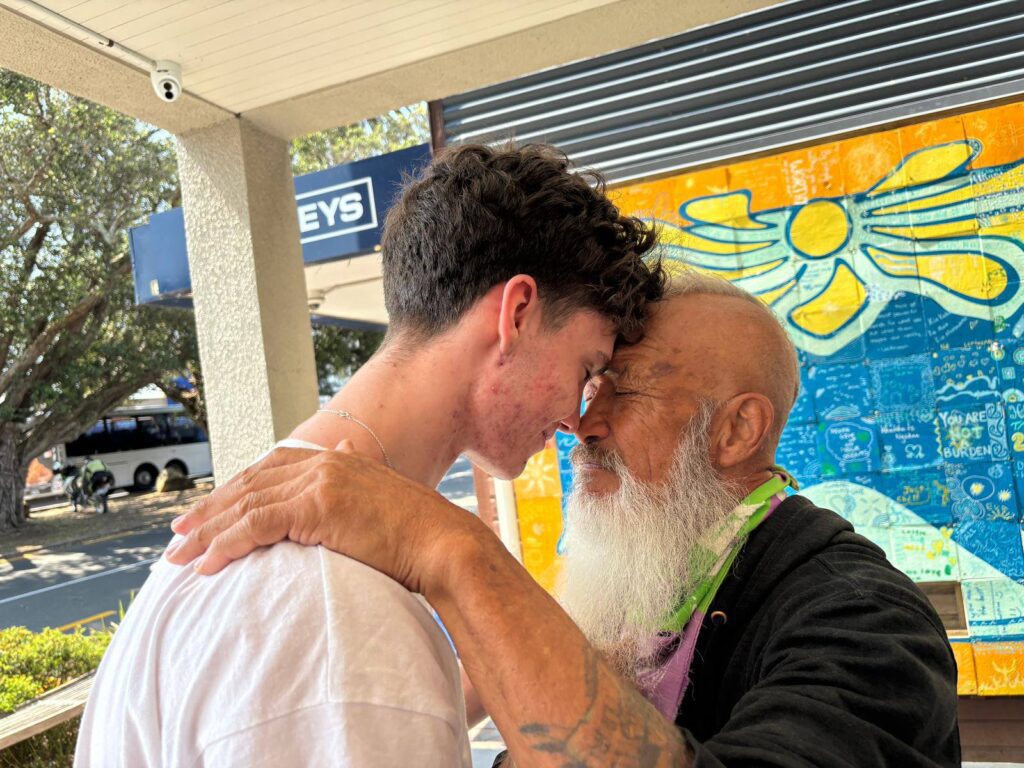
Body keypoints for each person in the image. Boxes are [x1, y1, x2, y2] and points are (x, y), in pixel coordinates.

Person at [169, 271, 961, 767]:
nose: (583, 424)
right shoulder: (650, 588)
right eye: (590, 384)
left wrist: (447, 546)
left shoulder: (866, 618)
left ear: (736, 430)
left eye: (626, 388)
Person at [74, 143, 664, 767]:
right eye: (586, 369)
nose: (576, 419)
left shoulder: (281, 553)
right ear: (516, 314)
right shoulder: (340, 618)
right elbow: (343, 676)